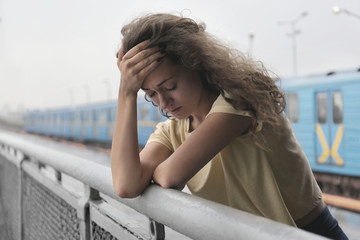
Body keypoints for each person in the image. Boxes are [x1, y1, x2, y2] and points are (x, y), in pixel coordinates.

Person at [110, 13, 348, 239]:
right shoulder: (173, 129)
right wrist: (126, 93)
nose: (163, 101)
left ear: (196, 64)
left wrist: (158, 170)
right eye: (151, 94)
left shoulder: (239, 101)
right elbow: (125, 185)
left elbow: (168, 176)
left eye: (170, 86)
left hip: (307, 233)